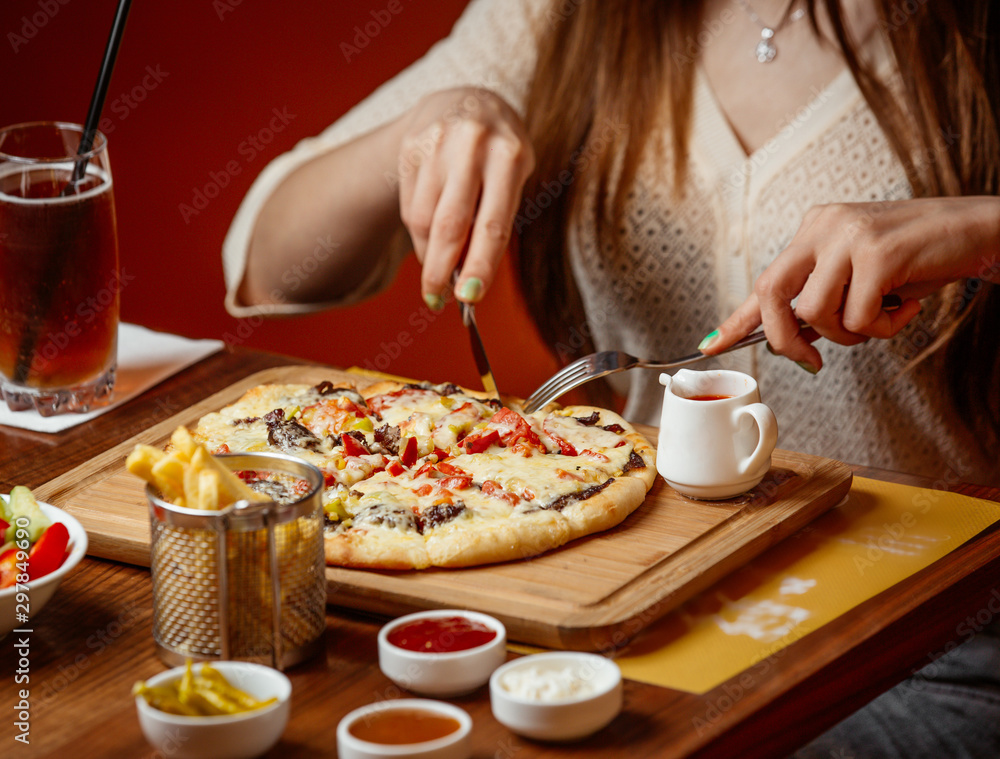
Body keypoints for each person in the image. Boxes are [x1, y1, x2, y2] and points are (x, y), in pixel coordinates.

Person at [223, 1, 1000, 755]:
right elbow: (264, 261)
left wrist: (983, 229)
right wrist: (427, 122)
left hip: (938, 639)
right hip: (636, 602)